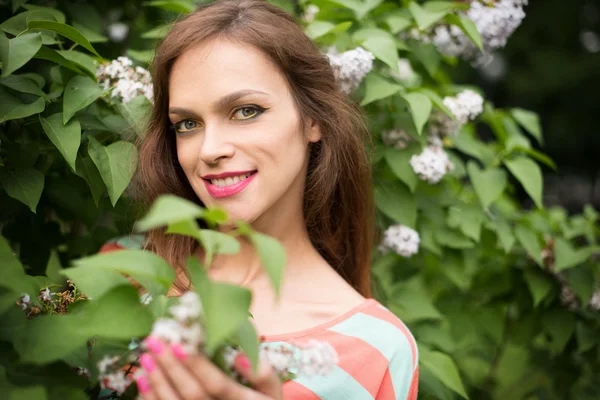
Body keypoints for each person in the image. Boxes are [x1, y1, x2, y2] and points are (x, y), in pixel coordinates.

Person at [100, 0, 419, 398]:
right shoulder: (120, 273)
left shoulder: (377, 350)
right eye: (187, 124)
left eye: (246, 111)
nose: (209, 150)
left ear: (313, 120)